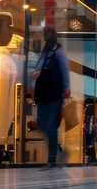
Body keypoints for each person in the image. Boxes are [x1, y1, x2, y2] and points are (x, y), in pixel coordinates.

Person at [29, 26, 71, 169]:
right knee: (45, 126)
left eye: (47, 35)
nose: (45, 38)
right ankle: (58, 152)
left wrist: (66, 86)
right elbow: (39, 68)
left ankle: (53, 158)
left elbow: (64, 70)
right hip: (44, 93)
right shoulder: (46, 53)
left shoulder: (57, 52)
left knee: (51, 127)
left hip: (53, 93)